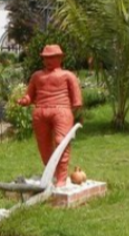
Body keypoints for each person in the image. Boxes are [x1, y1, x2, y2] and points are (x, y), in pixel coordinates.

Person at [17, 44, 82, 187]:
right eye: (45, 58)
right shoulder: (37, 76)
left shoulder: (68, 76)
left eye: (52, 57)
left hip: (61, 111)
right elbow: (30, 95)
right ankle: (51, 173)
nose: (48, 61)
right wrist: (25, 100)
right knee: (44, 146)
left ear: (60, 58)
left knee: (61, 142)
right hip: (40, 112)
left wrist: (76, 106)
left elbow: (77, 98)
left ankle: (61, 178)